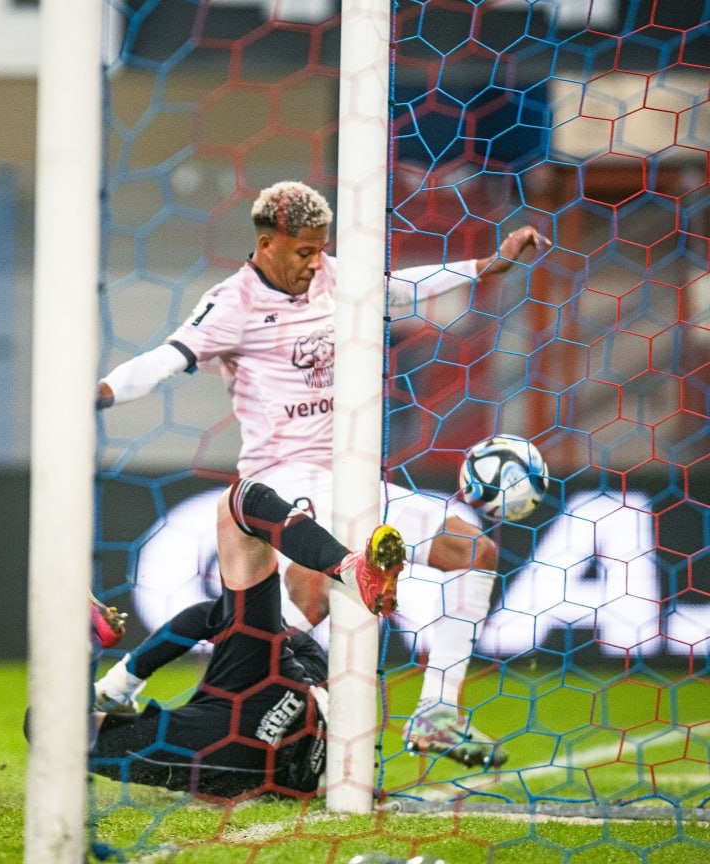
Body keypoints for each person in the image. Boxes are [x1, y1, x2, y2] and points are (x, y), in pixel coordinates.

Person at [97, 181, 547, 769]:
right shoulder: (230, 304)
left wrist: (488, 266)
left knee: (473, 550)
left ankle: (436, 713)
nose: (317, 262)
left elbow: (402, 288)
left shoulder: (335, 278)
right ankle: (155, 699)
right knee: (287, 610)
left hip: (352, 476)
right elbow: (165, 358)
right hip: (282, 480)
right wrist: (103, 392)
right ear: (267, 244)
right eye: (305, 251)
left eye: (322, 249)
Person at [89, 479, 406, 799]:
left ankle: (93, 657)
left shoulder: (287, 648)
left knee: (61, 731)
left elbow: (202, 616)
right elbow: (205, 616)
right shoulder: (301, 650)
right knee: (240, 501)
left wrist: (116, 687)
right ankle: (349, 568)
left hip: (235, 755)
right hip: (298, 735)